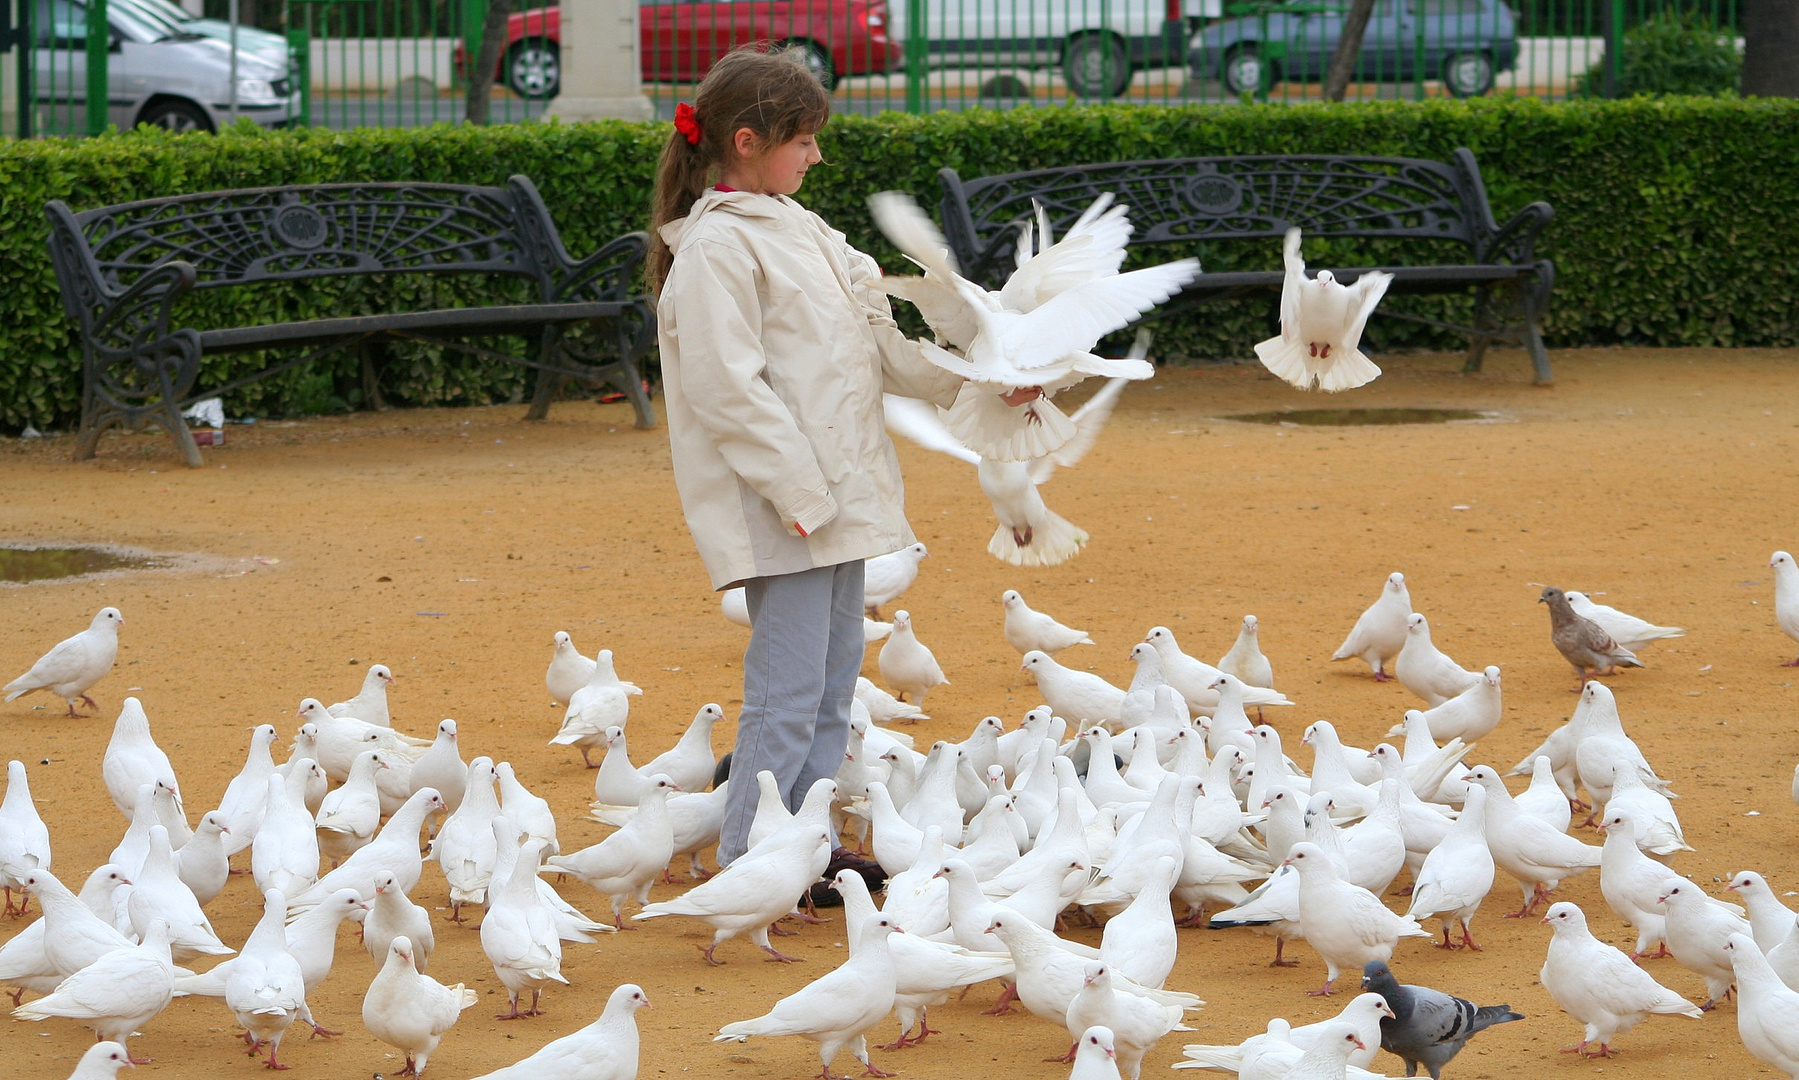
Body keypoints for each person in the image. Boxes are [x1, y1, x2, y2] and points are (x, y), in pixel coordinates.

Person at [649, 47, 1031, 869]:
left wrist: (993, 378)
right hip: (787, 502)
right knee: (784, 695)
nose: (817, 154)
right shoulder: (717, 248)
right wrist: (798, 491)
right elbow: (727, 389)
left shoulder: (807, 230)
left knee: (830, 689)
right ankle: (755, 857)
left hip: (841, 494)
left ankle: (808, 847)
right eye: (805, 139)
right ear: (747, 141)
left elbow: (882, 349)